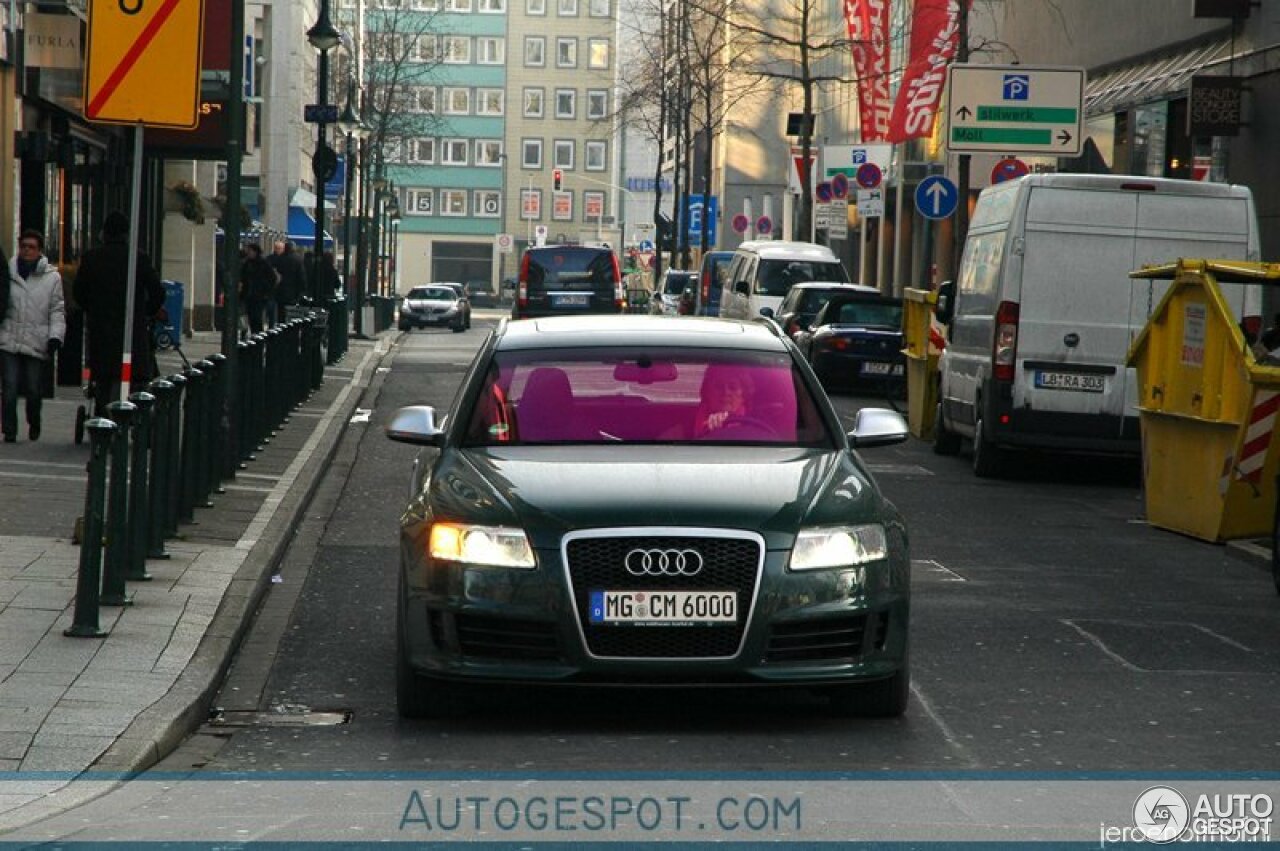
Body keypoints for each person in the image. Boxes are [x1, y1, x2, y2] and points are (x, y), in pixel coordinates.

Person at [74, 211, 166, 418]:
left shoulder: (91, 259)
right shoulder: (138, 258)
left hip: (101, 329)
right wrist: (146, 311)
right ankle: (131, 414)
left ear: (104, 233)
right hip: (131, 328)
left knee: (103, 375)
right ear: (126, 234)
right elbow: (158, 291)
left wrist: (93, 309)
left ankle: (101, 411)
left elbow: (78, 292)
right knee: (131, 373)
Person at [0, 231, 65, 442]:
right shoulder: (8, 272)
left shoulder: (51, 277)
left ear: (40, 251)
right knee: (9, 387)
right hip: (9, 337)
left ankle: (34, 421)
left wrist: (55, 336)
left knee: (33, 389)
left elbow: (57, 310)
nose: (27, 250)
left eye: (32, 247)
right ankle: (9, 429)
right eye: (24, 246)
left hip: (36, 340)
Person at [694, 367, 755, 436]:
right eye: (718, 386)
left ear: (744, 395)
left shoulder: (755, 424)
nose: (725, 392)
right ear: (707, 391)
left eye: (733, 387)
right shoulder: (689, 421)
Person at [239, 243, 277, 336]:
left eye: (250, 251)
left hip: (259, 295)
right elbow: (243, 278)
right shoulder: (247, 263)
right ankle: (251, 334)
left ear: (255, 251)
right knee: (249, 317)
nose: (248, 253)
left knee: (257, 317)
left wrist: (265, 290)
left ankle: (257, 335)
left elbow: (272, 277)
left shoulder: (263, 263)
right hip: (248, 295)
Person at [268, 240, 307, 319]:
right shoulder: (298, 259)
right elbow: (301, 276)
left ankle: (281, 327)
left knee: (281, 314)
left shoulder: (280, 259)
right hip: (293, 293)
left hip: (280, 292)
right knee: (292, 315)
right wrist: (302, 290)